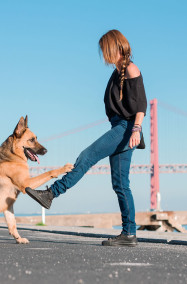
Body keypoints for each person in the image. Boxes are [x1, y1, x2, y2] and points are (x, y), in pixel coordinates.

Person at [26, 29, 147, 246]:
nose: (103, 54)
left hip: (126, 128)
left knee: (87, 156)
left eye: (104, 49)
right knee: (120, 185)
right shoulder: (117, 72)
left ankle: (51, 194)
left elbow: (141, 105)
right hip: (121, 127)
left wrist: (136, 129)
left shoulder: (131, 69)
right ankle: (129, 233)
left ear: (114, 47)